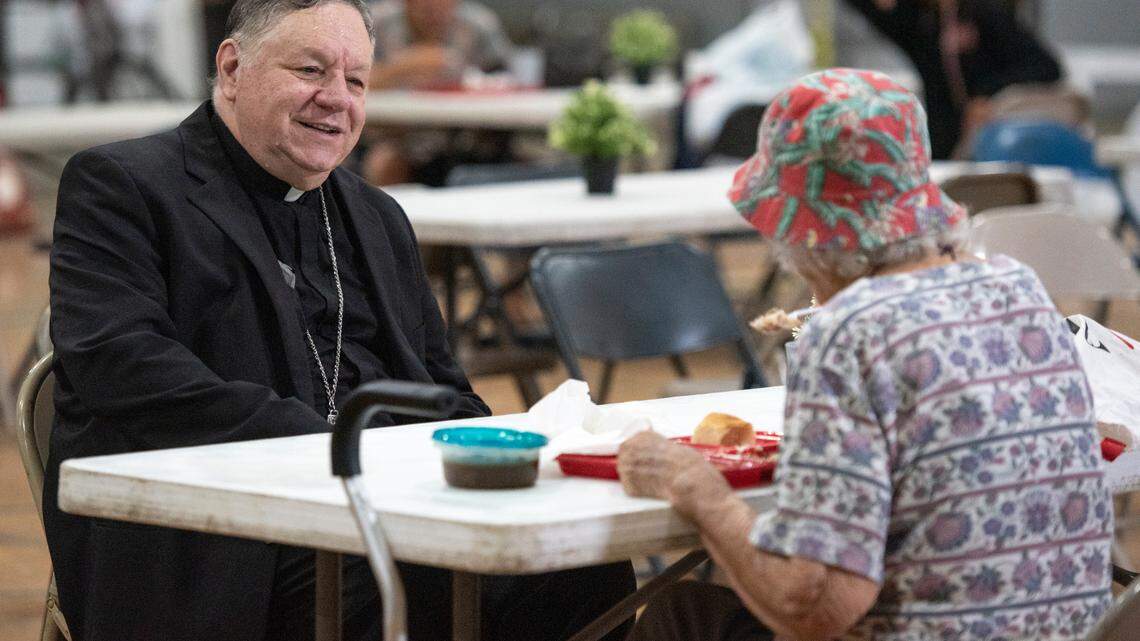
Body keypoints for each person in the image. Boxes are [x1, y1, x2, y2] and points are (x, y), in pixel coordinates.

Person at [44, 1, 632, 640]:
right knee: (404, 583)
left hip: (390, 501)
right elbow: (119, 364)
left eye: (356, 81)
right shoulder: (123, 185)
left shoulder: (376, 216)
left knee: (583, 562)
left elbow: (443, 386)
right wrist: (332, 446)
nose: (336, 100)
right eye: (310, 70)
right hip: (223, 534)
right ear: (233, 67)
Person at [618, 68, 1112, 640]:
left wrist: (698, 492)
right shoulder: (1017, 289)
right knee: (695, 610)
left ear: (808, 234)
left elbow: (816, 604)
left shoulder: (852, 332)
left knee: (680, 616)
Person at [843, 0, 1062, 159]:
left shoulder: (982, 13)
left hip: (990, 139)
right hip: (943, 146)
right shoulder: (917, 22)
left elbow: (1047, 66)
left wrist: (987, 94)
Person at [362, 0, 515, 185]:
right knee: (383, 163)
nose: (434, 15)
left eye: (443, 6)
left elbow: (510, 81)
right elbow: (348, 80)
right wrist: (402, 68)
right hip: (396, 137)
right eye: (425, 8)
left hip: (464, 140)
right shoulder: (372, 22)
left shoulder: (479, 24)